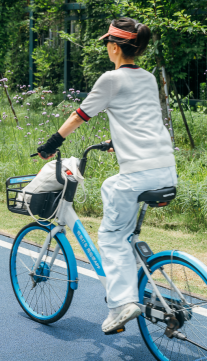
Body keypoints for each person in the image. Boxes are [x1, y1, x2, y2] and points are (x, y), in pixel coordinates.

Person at [37, 17, 177, 334]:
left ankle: (120, 305)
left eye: (107, 45)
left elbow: (79, 116)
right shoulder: (148, 79)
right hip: (166, 169)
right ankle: (136, 280)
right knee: (112, 192)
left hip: (140, 174)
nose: (106, 50)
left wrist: (51, 143)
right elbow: (143, 119)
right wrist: (118, 141)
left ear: (114, 47)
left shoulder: (111, 80)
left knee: (110, 237)